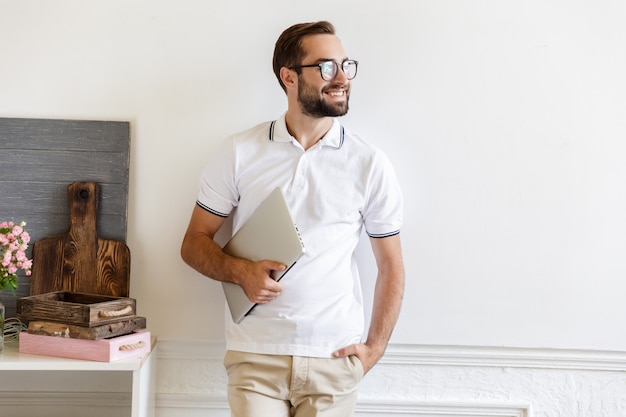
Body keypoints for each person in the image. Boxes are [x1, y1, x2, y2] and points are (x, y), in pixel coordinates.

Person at [181, 21, 405, 417]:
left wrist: (374, 349)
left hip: (334, 359)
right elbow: (194, 243)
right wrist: (240, 272)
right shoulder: (239, 152)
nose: (341, 78)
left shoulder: (369, 164)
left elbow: (391, 265)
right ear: (289, 76)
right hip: (256, 357)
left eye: (345, 65)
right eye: (326, 67)